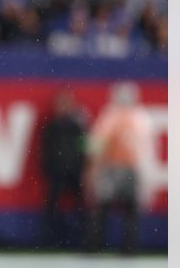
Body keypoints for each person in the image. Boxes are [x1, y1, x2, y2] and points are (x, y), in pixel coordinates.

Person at [84, 81, 151, 253]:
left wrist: (92, 168)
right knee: (130, 212)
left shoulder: (110, 116)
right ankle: (129, 249)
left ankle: (95, 247)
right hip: (132, 168)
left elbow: (96, 145)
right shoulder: (142, 118)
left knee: (102, 210)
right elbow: (148, 150)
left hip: (113, 167)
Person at [39, 90, 89, 249]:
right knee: (52, 209)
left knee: (81, 209)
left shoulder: (78, 125)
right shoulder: (53, 126)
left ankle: (84, 241)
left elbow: (84, 147)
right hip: (58, 173)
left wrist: (83, 167)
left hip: (74, 172)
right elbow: (46, 149)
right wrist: (49, 168)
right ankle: (51, 241)